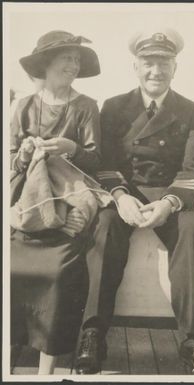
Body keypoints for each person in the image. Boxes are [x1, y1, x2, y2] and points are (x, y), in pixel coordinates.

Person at [76, 28, 194, 375]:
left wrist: (168, 203)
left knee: (193, 233)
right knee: (103, 229)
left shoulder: (191, 111)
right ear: (135, 66)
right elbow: (105, 163)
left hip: (171, 196)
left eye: (163, 63)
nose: (156, 71)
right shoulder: (115, 107)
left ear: (175, 67)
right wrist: (119, 198)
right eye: (148, 63)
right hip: (126, 193)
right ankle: (92, 334)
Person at [10, 30, 102, 374]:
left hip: (69, 202)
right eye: (67, 58)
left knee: (60, 274)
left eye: (77, 59)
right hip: (29, 207)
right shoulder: (23, 106)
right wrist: (24, 155)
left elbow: (96, 161)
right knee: (11, 268)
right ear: (45, 64)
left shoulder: (86, 107)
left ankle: (45, 375)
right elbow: (11, 164)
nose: (74, 65)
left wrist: (71, 149)